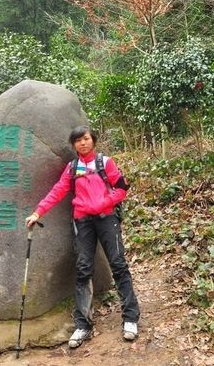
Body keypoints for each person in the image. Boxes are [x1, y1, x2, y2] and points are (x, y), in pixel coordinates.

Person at [25, 125, 140, 348]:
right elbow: (58, 191)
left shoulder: (105, 163)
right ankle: (83, 325)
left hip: (107, 218)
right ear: (74, 145)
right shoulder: (72, 168)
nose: (83, 143)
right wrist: (38, 212)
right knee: (83, 269)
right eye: (78, 140)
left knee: (118, 265)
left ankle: (130, 318)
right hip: (82, 222)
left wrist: (104, 202)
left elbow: (122, 188)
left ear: (92, 140)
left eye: (86, 138)